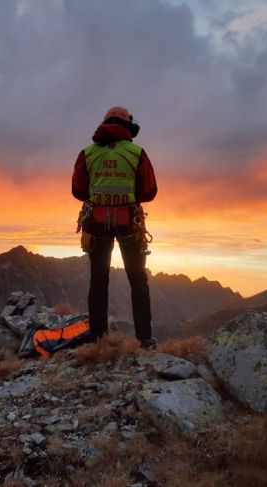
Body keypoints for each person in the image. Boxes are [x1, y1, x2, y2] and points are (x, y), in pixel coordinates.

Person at [72, 106, 158, 349]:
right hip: (129, 223)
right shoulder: (136, 153)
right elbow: (149, 191)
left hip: (96, 223)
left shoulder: (87, 153)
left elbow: (78, 190)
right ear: (127, 126)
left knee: (98, 280)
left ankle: (98, 337)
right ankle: (144, 339)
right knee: (138, 280)